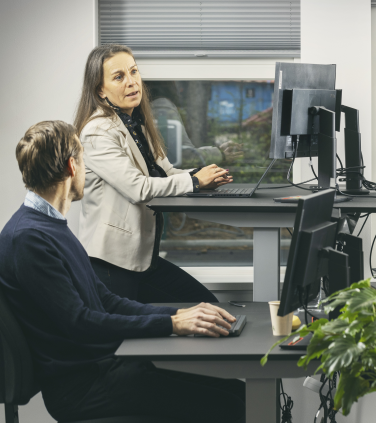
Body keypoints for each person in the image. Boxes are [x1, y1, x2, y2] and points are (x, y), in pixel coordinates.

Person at [0, 121, 245, 422]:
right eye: (84, 160)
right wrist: (171, 324)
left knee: (238, 392)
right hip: (83, 388)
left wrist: (179, 315)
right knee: (232, 407)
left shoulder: (49, 226)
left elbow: (105, 300)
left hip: (107, 369)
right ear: (72, 167)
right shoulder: (28, 239)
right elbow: (80, 322)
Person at [74, 44, 232, 303]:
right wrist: (193, 181)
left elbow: (166, 172)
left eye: (133, 71)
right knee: (127, 332)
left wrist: (203, 176)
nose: (131, 82)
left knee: (207, 305)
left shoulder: (137, 124)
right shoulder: (97, 132)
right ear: (100, 90)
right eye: (119, 77)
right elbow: (138, 188)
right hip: (111, 262)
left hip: (142, 257)